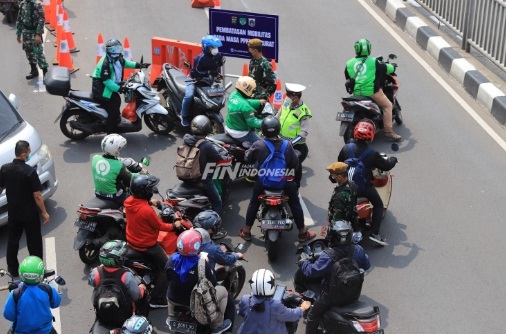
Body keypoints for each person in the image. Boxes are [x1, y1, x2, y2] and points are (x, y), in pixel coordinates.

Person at [239, 116, 316, 242]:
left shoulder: (259, 144)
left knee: (254, 203)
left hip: (263, 182)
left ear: (262, 131)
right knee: (295, 203)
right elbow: (294, 164)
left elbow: (247, 159)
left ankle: (247, 231)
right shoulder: (287, 145)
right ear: (278, 130)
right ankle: (302, 233)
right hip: (283, 183)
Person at [299, 220, 370, 334]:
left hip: (331, 298)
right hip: (353, 294)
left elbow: (310, 272)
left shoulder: (329, 256)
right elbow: (366, 265)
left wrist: (303, 261)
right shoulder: (358, 250)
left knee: (312, 315)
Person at [124, 174, 181, 309]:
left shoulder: (129, 202)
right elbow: (160, 226)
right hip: (147, 246)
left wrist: (151, 202)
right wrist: (175, 226)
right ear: (145, 192)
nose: (151, 191)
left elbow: (140, 207)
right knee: (167, 268)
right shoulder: (147, 211)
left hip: (131, 241)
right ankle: (157, 299)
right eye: (149, 189)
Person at [338, 120, 397, 245]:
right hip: (362, 187)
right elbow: (386, 166)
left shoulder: (346, 148)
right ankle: (375, 233)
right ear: (370, 136)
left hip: (345, 185)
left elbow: (339, 163)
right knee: (379, 204)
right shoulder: (372, 154)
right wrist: (393, 159)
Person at [166, 230, 232, 334]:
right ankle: (217, 326)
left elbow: (168, 278)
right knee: (223, 291)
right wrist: (207, 263)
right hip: (197, 303)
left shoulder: (171, 260)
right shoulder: (202, 264)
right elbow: (213, 282)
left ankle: (171, 318)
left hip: (174, 299)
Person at [0, 140, 50, 278]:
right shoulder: (29, 172)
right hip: (29, 215)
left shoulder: (5, 169)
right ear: (23, 155)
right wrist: (44, 212)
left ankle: (13, 270)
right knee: (34, 243)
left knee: (12, 242)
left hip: (14, 213)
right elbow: (38, 195)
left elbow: (0, 187)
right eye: (28, 152)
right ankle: (37, 269)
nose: (29, 154)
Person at [345, 38, 401, 141]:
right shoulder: (373, 61)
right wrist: (393, 67)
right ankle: (389, 132)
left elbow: (347, 77)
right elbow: (386, 68)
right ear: (369, 49)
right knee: (388, 106)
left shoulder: (349, 63)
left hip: (356, 93)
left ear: (356, 49)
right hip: (372, 92)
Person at [91, 39, 149, 133]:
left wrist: (139, 65)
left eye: (118, 49)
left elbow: (125, 63)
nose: (116, 52)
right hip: (101, 89)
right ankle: (111, 132)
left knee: (117, 101)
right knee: (113, 109)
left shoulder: (117, 58)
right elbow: (107, 81)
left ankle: (116, 121)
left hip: (109, 86)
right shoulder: (105, 63)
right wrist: (119, 88)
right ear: (108, 50)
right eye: (113, 50)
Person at [88, 241, 148, 328]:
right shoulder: (126, 275)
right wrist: (142, 288)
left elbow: (91, 282)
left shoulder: (96, 272)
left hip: (102, 312)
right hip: (124, 314)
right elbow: (136, 296)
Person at [182, 115, 231, 216]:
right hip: (202, 180)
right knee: (217, 203)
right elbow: (219, 159)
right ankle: (215, 224)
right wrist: (228, 159)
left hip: (186, 175)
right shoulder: (206, 145)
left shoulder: (186, 139)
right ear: (207, 129)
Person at [237, 269, 311, 334]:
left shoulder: (245, 299)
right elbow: (292, 315)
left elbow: (241, 312)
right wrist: (303, 308)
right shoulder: (275, 306)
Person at [194, 227, 239, 329]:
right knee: (229, 303)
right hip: (201, 292)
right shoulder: (205, 260)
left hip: (177, 296)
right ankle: (220, 327)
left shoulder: (175, 258)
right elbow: (212, 280)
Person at [3, 256, 61, 334]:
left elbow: (8, 315)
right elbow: (56, 303)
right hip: (45, 331)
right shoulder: (48, 289)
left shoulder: (15, 294)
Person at [180, 35, 224, 126]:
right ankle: (184, 115)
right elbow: (196, 72)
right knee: (189, 96)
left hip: (208, 81)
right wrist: (210, 72)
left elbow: (218, 66)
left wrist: (218, 74)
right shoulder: (200, 58)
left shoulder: (218, 56)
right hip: (194, 80)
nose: (215, 49)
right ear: (206, 47)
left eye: (216, 47)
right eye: (213, 47)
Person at [276, 83, 312, 187]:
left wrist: (291, 143)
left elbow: (304, 133)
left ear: (295, 97)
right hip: (281, 142)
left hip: (296, 146)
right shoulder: (286, 103)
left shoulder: (303, 112)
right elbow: (278, 115)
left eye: (288, 96)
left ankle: (296, 188)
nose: (286, 98)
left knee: (296, 167)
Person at [92, 134, 142, 207]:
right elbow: (130, 179)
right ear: (115, 150)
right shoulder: (118, 166)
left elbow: (112, 162)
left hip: (98, 193)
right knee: (138, 202)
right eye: (120, 148)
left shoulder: (95, 158)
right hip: (114, 197)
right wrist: (139, 175)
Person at [225, 76, 266, 144]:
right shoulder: (246, 108)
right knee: (261, 145)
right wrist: (265, 123)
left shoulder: (233, 95)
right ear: (247, 89)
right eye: (252, 90)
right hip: (241, 133)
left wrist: (259, 102)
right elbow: (253, 122)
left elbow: (244, 101)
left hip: (230, 127)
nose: (253, 92)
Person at [16, 0, 48, 80]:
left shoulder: (38, 4)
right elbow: (19, 18)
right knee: (29, 52)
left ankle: (45, 73)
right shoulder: (22, 4)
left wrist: (38, 34)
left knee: (39, 53)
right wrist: (18, 33)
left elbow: (42, 19)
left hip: (34, 32)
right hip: (26, 32)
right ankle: (34, 70)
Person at [326, 162, 358, 230]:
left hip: (341, 226)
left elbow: (337, 217)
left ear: (339, 177)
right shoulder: (352, 183)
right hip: (351, 218)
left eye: (332, 175)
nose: (331, 177)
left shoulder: (340, 195)